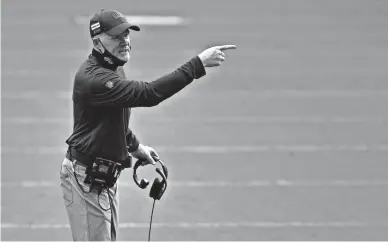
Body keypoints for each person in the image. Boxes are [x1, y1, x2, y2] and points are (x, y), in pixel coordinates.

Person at [59, 9, 236, 241]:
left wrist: (135, 147)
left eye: (126, 35)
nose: (125, 42)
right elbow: (150, 94)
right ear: (97, 42)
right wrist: (197, 64)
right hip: (87, 181)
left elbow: (112, 119)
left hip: (101, 177)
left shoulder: (113, 67)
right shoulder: (96, 79)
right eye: (116, 37)